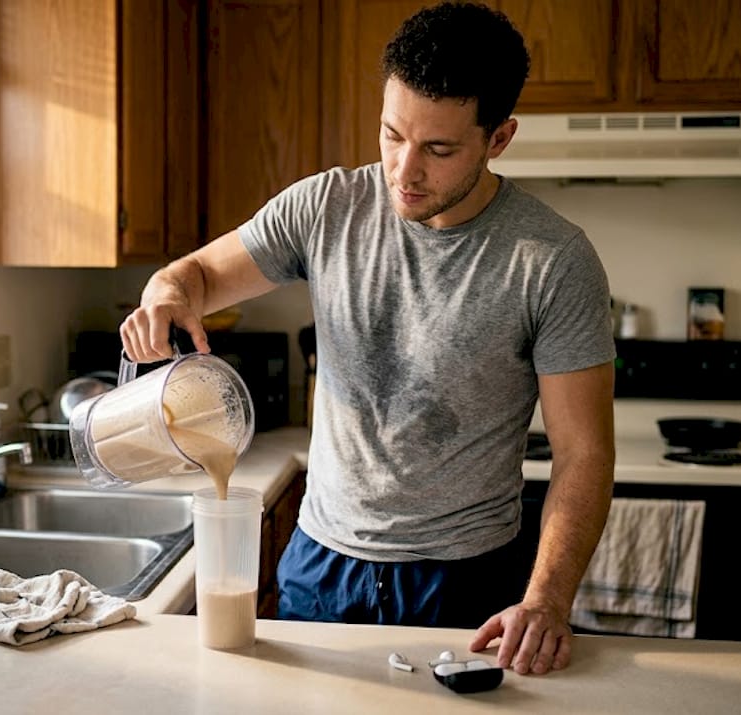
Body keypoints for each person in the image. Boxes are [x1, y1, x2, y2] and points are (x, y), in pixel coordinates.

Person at [119, 1, 615, 676]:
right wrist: (167, 294)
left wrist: (547, 599)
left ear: (499, 138)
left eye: (438, 149)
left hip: (463, 581)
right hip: (320, 568)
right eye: (391, 134)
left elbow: (583, 454)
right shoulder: (325, 208)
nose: (404, 171)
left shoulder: (553, 260)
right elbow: (197, 274)